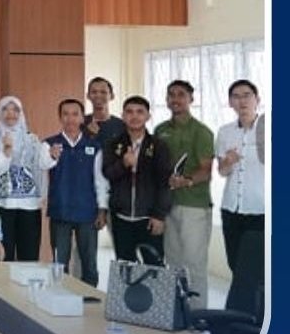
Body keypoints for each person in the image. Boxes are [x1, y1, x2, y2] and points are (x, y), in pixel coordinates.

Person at [154, 80, 215, 308]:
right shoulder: (160, 130)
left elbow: (206, 170)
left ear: (191, 99)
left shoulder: (201, 131)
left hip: (194, 206)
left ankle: (198, 315)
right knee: (173, 263)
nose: (175, 99)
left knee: (194, 265)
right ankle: (177, 311)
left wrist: (187, 180)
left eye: (181, 94)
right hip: (167, 205)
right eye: (171, 94)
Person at [45, 98, 109, 287]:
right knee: (59, 264)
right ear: (60, 117)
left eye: (75, 114)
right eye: (65, 114)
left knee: (89, 263)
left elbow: (100, 180)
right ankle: (59, 297)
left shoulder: (94, 146)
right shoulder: (50, 144)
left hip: (87, 212)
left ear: (82, 118)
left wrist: (102, 209)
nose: (70, 119)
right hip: (60, 211)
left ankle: (90, 297)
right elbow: (42, 168)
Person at [0, 96, 55, 262]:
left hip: (29, 205)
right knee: (2, 256)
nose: (10, 114)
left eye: (15, 110)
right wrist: (6, 151)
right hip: (2, 204)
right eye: (5, 109)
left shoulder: (32, 139)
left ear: (21, 113)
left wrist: (52, 156)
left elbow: (42, 164)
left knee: (29, 256)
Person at [102, 96, 172, 263]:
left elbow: (165, 183)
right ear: (123, 116)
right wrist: (124, 164)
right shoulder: (113, 144)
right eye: (129, 112)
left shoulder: (158, 145)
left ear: (148, 116)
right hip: (121, 217)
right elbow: (108, 173)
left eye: (140, 112)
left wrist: (159, 215)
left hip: (149, 218)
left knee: (153, 265)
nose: (134, 116)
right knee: (125, 265)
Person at [215, 79, 265, 314]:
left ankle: (259, 317)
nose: (242, 100)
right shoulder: (225, 132)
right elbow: (222, 171)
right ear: (230, 102)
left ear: (257, 100)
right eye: (236, 96)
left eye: (247, 95)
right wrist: (227, 162)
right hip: (231, 209)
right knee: (235, 264)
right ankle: (241, 318)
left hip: (261, 209)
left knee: (258, 270)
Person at [85, 76, 126, 149]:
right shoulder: (79, 123)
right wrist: (89, 135)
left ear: (112, 96)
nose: (98, 95)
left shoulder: (122, 126)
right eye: (94, 92)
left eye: (103, 92)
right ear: (88, 96)